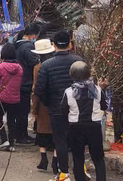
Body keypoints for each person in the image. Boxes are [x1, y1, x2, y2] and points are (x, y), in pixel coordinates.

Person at [35, 30, 84, 181]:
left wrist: (48, 102)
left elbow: (39, 89)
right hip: (77, 108)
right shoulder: (79, 61)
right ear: (70, 44)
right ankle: (80, 172)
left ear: (54, 45)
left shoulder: (47, 65)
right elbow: (86, 84)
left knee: (60, 140)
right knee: (77, 140)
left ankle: (64, 174)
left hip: (56, 109)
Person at [62, 61, 107, 181]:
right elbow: (104, 106)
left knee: (78, 158)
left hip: (76, 127)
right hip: (94, 127)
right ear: (88, 74)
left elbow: (63, 110)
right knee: (98, 158)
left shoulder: (68, 92)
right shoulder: (97, 90)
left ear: (72, 75)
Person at [31, 38, 58, 174]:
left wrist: (34, 107)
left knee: (41, 131)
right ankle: (55, 159)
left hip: (42, 103)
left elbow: (36, 88)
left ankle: (43, 159)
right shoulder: (56, 64)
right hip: (56, 102)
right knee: (56, 133)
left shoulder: (37, 67)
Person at [0, 43, 23, 152]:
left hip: (2, 98)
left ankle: (4, 139)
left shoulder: (1, 67)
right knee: (12, 121)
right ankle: (11, 144)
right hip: (15, 99)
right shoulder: (19, 68)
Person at [15, 23, 41, 144]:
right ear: (33, 35)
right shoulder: (28, 47)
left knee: (20, 110)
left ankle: (19, 133)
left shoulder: (17, 45)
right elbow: (35, 64)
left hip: (17, 81)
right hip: (25, 82)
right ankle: (22, 136)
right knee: (24, 110)